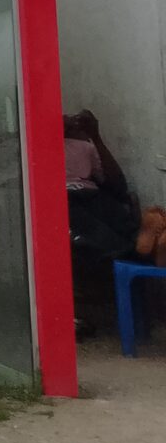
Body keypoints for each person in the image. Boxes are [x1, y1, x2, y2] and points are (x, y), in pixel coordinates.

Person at [65, 110, 141, 332]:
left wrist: (94, 136)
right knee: (81, 221)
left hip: (90, 195)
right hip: (62, 199)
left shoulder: (84, 146)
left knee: (112, 212)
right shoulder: (34, 146)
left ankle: (135, 246)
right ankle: (115, 249)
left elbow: (117, 186)